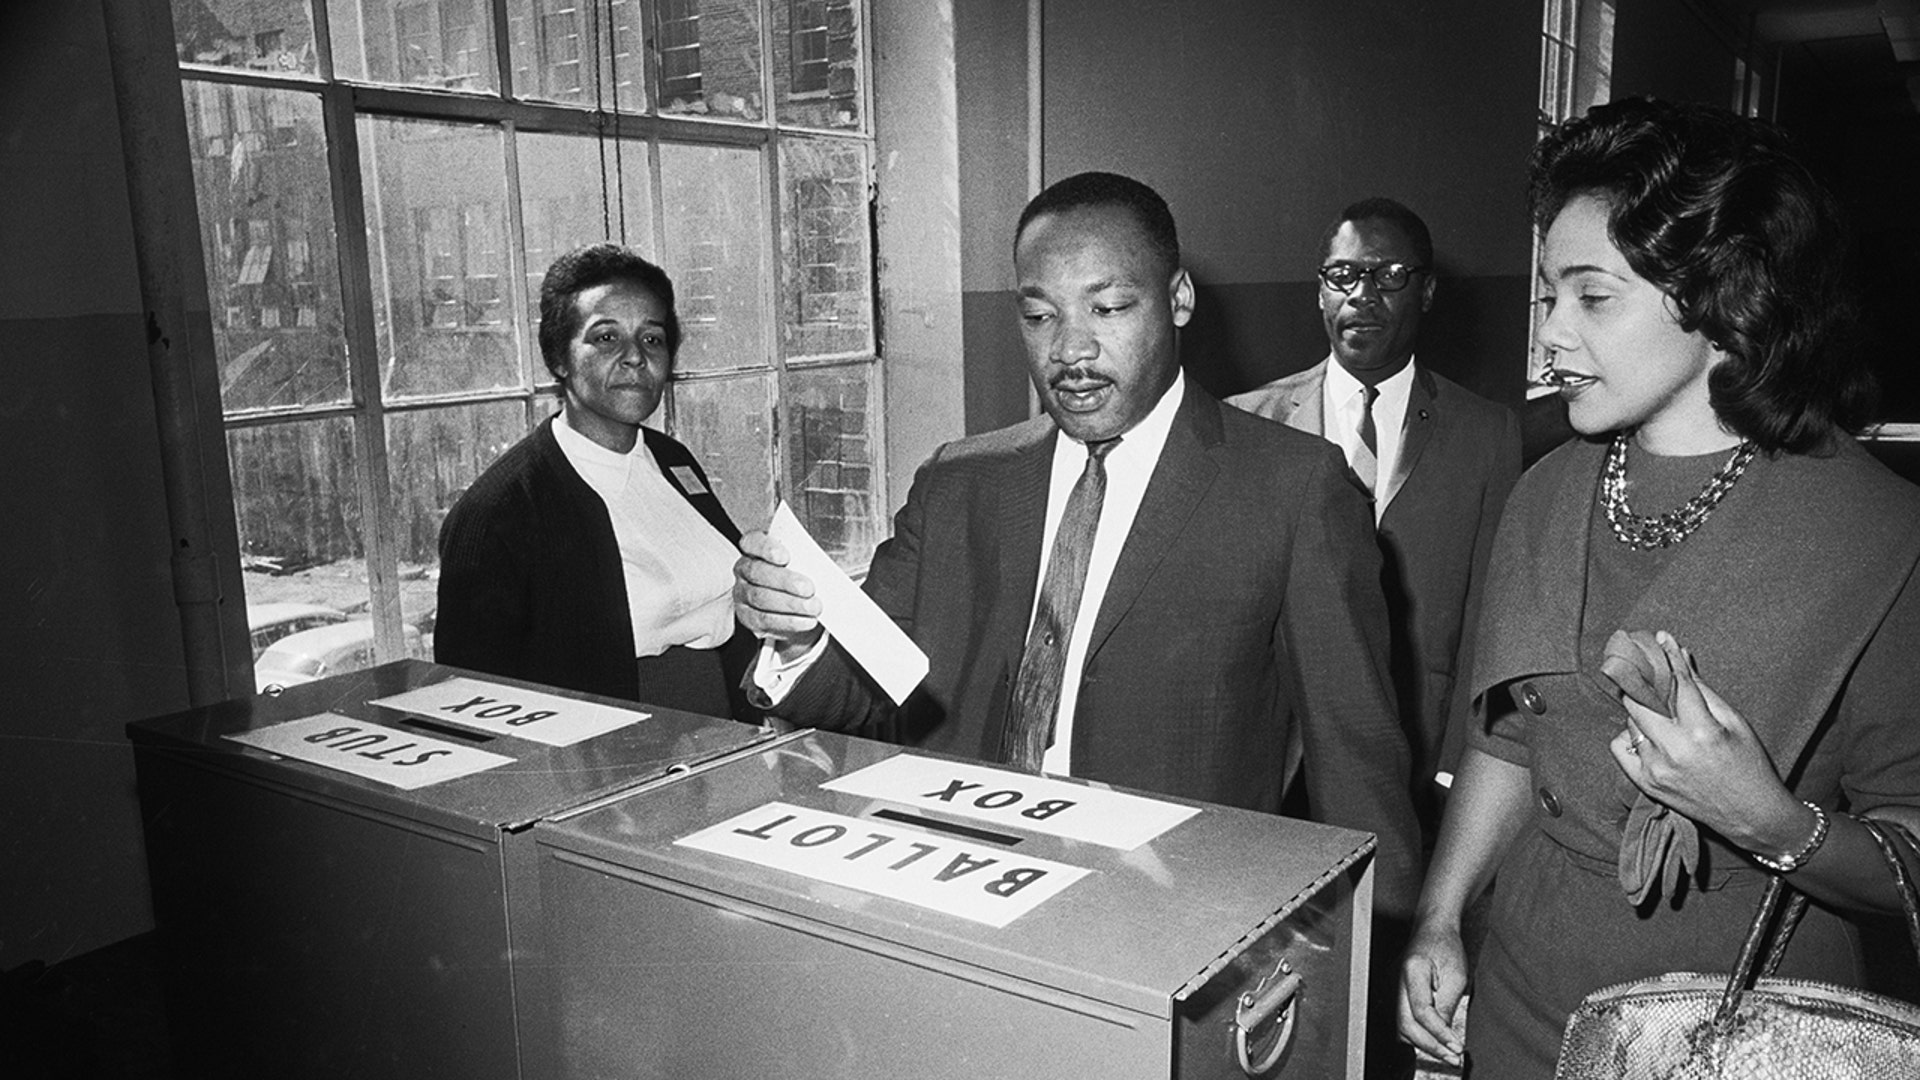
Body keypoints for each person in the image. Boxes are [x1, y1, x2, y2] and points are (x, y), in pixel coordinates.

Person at [733, 171, 1423, 923]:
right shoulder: (960, 481)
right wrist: (798, 638)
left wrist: (1373, 958)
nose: (1071, 349)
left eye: (1110, 307)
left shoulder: (1295, 489)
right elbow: (863, 692)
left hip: (1169, 917)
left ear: (1179, 299)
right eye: (1039, 316)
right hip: (956, 892)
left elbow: (1357, 763)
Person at [1397, 97, 1920, 1078]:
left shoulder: (1881, 535)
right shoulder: (1544, 490)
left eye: (1591, 298)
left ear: (1719, 300)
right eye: (1549, 295)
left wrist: (1768, 819)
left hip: (1733, 1022)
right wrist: (1439, 916)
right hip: (1523, 993)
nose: (1549, 336)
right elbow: (1504, 739)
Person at [1228, 197, 1521, 830]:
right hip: (1277, 751)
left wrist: (1454, 767)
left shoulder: (1488, 433)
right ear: (1320, 291)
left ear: (1427, 291)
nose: (1362, 295)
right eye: (1343, 276)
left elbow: (1486, 618)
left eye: (1389, 276)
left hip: (1414, 748)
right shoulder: (1249, 422)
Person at [435, 243, 757, 720]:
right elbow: (473, 700)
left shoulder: (673, 461)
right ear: (559, 357)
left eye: (652, 339)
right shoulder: (497, 512)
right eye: (606, 338)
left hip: (728, 727)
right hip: (604, 756)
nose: (634, 358)